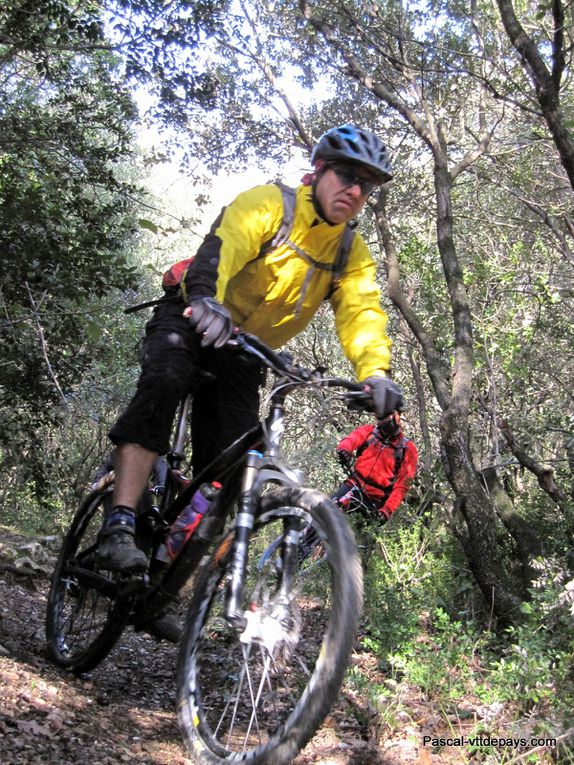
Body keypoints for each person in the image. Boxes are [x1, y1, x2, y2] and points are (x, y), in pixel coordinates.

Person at [97, 123, 403, 641]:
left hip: (246, 351)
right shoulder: (270, 204)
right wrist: (204, 298)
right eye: (347, 176)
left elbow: (362, 312)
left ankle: (160, 589)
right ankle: (120, 520)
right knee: (166, 378)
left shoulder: (350, 253)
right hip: (196, 314)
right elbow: (227, 243)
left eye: (366, 186)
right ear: (319, 173)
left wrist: (374, 373)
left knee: (233, 469)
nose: (354, 191)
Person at [334, 411, 418, 522]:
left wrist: (387, 510)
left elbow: (403, 486)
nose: (382, 421)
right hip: (353, 486)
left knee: (355, 536)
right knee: (325, 510)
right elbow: (351, 439)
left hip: (374, 501)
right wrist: (344, 450)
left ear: (396, 417)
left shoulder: (408, 449)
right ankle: (305, 536)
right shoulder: (369, 431)